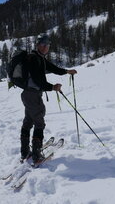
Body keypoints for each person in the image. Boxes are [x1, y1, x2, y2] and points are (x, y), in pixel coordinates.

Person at [19, 33, 77, 163]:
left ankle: (25, 152)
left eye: (47, 45)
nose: (46, 47)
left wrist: (67, 71)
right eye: (43, 44)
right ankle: (36, 155)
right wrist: (52, 87)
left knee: (28, 121)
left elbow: (52, 68)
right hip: (33, 95)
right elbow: (37, 80)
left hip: (28, 95)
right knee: (39, 123)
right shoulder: (35, 59)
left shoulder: (39, 58)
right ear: (38, 45)